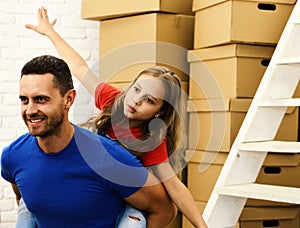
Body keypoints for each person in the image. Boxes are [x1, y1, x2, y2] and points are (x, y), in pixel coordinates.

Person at [25, 7, 208, 228]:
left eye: (150, 100)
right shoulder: (114, 100)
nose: (137, 100)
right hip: (98, 183)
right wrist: (51, 33)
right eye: (137, 89)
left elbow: (174, 186)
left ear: (160, 112)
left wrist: (202, 226)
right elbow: (79, 67)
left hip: (129, 197)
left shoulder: (151, 138)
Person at [0, 55, 177, 228]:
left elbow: (164, 209)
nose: (30, 110)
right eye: (24, 100)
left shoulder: (111, 158)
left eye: (41, 99)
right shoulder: (13, 156)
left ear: (68, 99)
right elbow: (25, 202)